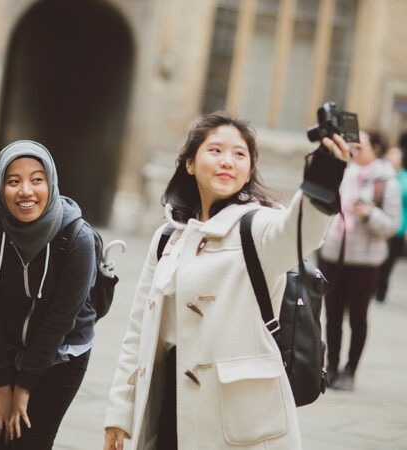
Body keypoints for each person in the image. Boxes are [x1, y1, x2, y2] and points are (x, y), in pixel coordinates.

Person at [103, 111, 350, 449]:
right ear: (190, 163)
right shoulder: (167, 237)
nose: (227, 162)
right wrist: (120, 415)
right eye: (215, 150)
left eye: (239, 154)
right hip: (167, 399)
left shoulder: (259, 226)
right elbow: (137, 333)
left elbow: (299, 232)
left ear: (249, 169)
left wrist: (323, 177)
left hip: (236, 416)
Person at [0, 141, 97, 449]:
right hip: (0, 348)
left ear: (50, 183)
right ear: (1, 188)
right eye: (14, 181)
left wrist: (23, 387)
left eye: (37, 179)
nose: (26, 190)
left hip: (62, 354)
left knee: (32, 443)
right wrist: (1, 385)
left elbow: (60, 320)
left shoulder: (77, 239)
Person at [320, 130, 401, 390]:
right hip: (334, 254)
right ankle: (331, 367)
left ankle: (350, 371)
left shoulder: (387, 182)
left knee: (357, 317)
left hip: (365, 261)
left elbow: (392, 225)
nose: (354, 152)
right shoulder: (344, 173)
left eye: (361, 147)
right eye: (352, 147)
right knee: (331, 315)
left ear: (376, 149)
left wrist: (368, 215)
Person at [375, 144, 407, 302]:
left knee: (389, 262)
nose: (392, 158)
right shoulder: (379, 175)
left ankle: (381, 290)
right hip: (379, 224)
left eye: (396, 155)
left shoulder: (404, 179)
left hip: (399, 228)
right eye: (390, 154)